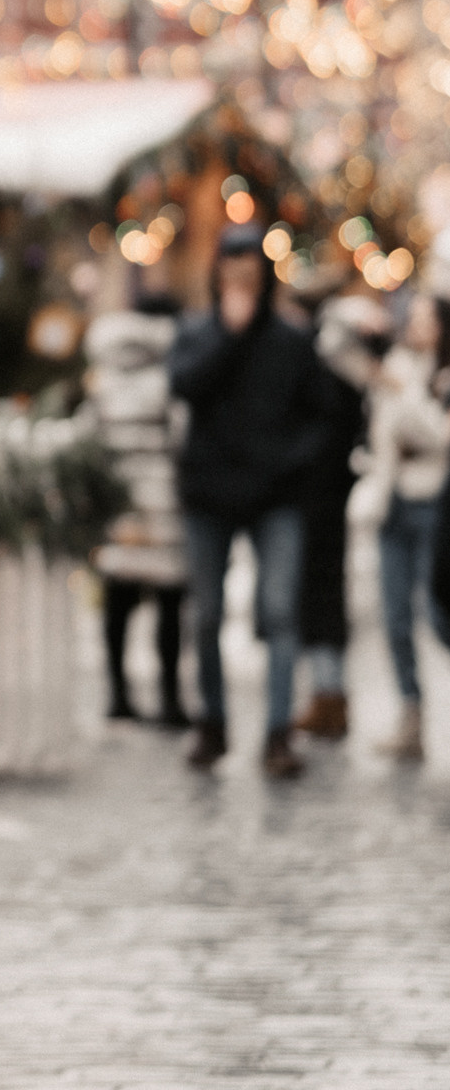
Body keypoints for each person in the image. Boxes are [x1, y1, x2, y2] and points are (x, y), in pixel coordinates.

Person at [168, 225, 335, 778]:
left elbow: (324, 416)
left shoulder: (291, 339)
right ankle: (213, 724)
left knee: (280, 612)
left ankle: (277, 733)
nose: (240, 284)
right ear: (217, 276)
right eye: (230, 273)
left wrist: (289, 462)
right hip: (209, 496)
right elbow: (184, 386)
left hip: (275, 498)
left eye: (250, 274)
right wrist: (229, 336)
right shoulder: (198, 332)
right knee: (209, 612)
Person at [83, 293, 188, 725]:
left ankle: (118, 696)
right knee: (168, 604)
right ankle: (169, 698)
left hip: (119, 511)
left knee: (118, 604)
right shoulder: (168, 379)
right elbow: (182, 438)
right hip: (162, 508)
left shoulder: (101, 380)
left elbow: (88, 443)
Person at [291, 297, 390, 743]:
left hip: (320, 495)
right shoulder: (353, 376)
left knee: (320, 589)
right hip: (327, 492)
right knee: (321, 590)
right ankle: (327, 693)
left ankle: (330, 696)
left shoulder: (332, 375)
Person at [367, 294, 448, 763]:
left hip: (433, 498)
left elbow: (438, 437)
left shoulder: (440, 376)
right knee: (394, 614)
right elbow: (384, 430)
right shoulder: (396, 363)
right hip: (393, 498)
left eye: (425, 320)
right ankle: (411, 712)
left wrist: (405, 395)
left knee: (437, 614)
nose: (416, 328)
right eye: (411, 319)